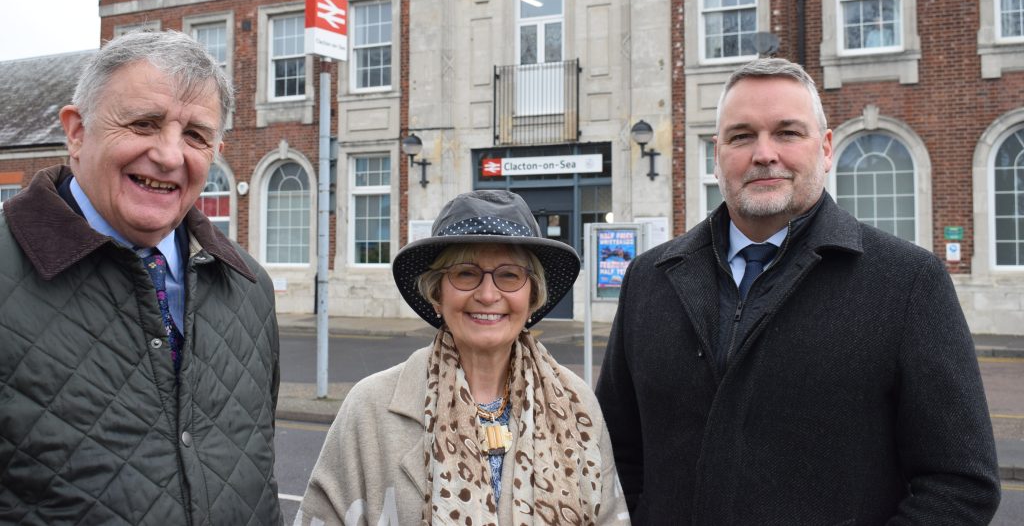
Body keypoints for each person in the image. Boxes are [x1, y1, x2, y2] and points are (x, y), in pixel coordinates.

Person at [596, 58, 1000, 524]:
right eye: (741, 136)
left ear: (825, 149)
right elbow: (615, 458)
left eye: (787, 133)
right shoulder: (649, 279)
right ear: (716, 154)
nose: (764, 153)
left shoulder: (907, 282)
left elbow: (961, 484)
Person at [0, 31, 282, 524]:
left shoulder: (249, 287)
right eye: (143, 124)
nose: (170, 156)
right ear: (76, 132)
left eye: (195, 135)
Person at [296, 190, 629, 525]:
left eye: (510, 275)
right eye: (466, 273)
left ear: (533, 296)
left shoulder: (577, 403)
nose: (487, 294)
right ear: (436, 294)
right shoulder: (369, 409)